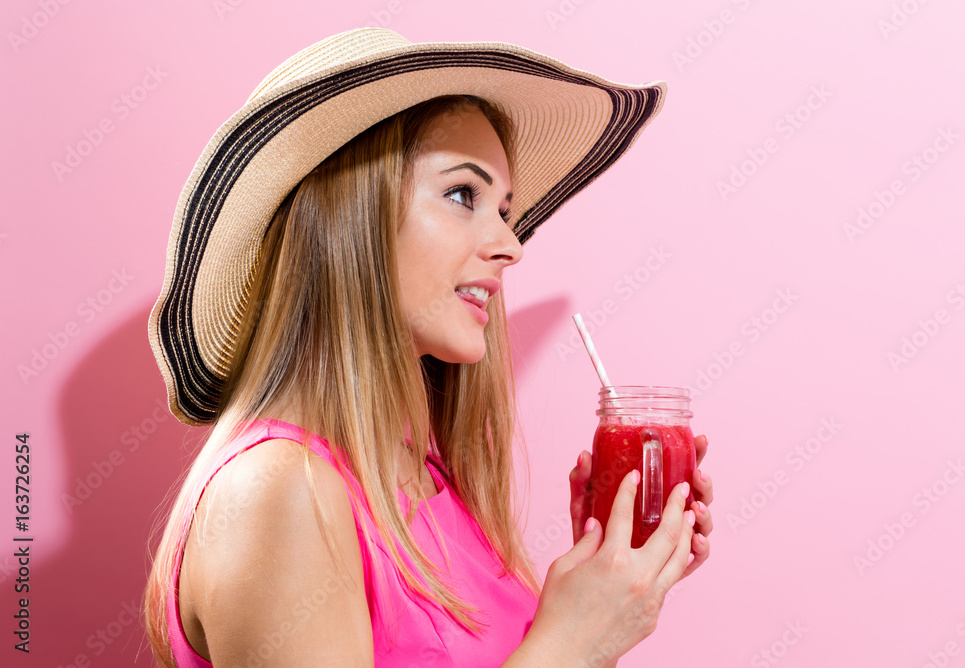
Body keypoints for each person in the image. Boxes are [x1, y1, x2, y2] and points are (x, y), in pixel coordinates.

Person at [142, 27, 714, 668]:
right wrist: (575, 644)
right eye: (463, 195)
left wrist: (607, 605)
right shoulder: (279, 492)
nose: (511, 244)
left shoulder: (423, 482)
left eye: (503, 209)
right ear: (348, 218)